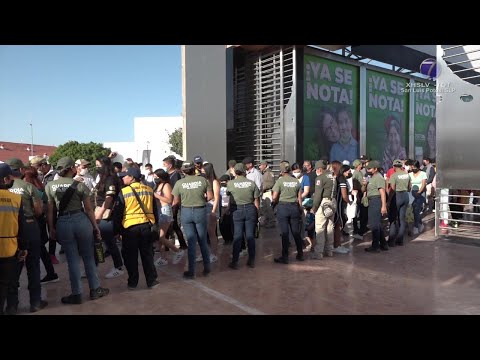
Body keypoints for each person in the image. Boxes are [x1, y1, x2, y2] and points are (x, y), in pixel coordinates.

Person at [45, 157, 109, 304]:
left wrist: (51, 229)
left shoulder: (50, 186)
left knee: (72, 260)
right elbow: (88, 209)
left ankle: (77, 294)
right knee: (88, 257)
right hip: (81, 221)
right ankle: (95, 289)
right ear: (70, 169)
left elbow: (50, 211)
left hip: (63, 222)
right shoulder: (79, 184)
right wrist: (95, 227)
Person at [4, 159, 47, 314]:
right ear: (21, 170)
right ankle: (35, 302)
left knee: (13, 269)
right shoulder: (28, 187)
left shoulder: (5, 188)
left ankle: (12, 305)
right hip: (30, 227)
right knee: (33, 266)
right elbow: (38, 211)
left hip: (11, 230)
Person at [113, 166, 159, 289]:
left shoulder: (124, 192)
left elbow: (118, 213)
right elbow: (155, 211)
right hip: (147, 227)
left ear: (132, 178)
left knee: (130, 256)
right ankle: (151, 280)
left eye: (125, 176)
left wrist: (116, 231)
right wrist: (155, 226)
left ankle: (133, 282)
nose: (123, 178)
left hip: (130, 229)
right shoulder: (149, 190)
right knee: (147, 254)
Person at [172, 161, 213, 279]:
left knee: (191, 242)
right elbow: (210, 197)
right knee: (202, 240)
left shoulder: (179, 183)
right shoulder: (202, 180)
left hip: (186, 212)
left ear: (183, 171)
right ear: (193, 169)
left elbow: (176, 201)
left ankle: (191, 271)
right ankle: (207, 268)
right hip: (200, 210)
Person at [0, 164, 28, 315]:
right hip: (10, 248)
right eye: (10, 177)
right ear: (5, 179)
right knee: (10, 282)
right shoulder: (16, 199)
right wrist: (23, 247)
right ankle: (11, 308)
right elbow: (21, 227)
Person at [94, 156, 124, 279]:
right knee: (97, 241)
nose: (96, 168)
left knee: (109, 242)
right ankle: (94, 266)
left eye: (98, 165)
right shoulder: (103, 178)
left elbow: (109, 199)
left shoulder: (110, 179)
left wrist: (99, 216)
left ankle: (118, 267)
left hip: (106, 215)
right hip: (100, 212)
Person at [226, 163, 260, 269]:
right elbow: (256, 200)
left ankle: (235, 261)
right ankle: (251, 260)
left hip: (237, 210)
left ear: (235, 172)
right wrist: (257, 213)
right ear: (245, 171)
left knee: (237, 236)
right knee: (250, 235)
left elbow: (228, 195)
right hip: (250, 209)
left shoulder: (231, 183)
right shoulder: (251, 183)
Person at [271, 161, 305, 264]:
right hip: (294, 207)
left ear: (281, 171)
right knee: (296, 232)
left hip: (283, 207)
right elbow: (299, 198)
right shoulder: (296, 181)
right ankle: (300, 254)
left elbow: (274, 197)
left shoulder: (280, 181)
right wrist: (299, 209)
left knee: (285, 233)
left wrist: (274, 203)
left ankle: (285, 257)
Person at [152, 169, 185, 266]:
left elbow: (169, 200)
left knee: (161, 237)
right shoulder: (158, 186)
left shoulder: (166, 186)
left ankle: (177, 251)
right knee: (160, 237)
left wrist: (156, 196)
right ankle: (163, 258)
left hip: (165, 210)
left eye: (157, 177)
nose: (155, 178)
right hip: (159, 211)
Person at [311, 160, 335, 259]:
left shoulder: (320, 178)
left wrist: (314, 208)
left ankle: (319, 252)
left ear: (320, 169)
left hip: (323, 203)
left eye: (316, 169)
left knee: (320, 228)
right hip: (333, 202)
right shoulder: (333, 177)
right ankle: (329, 250)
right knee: (330, 227)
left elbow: (317, 195)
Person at [362, 160, 389, 252]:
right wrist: (365, 185)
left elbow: (382, 192)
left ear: (375, 169)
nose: (368, 170)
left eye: (369, 168)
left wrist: (384, 206)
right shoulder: (371, 177)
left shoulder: (379, 177)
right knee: (377, 223)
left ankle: (375, 246)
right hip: (372, 200)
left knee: (374, 224)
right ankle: (383, 244)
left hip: (376, 201)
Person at [388, 159, 411, 246]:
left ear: (393, 167)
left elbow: (392, 189)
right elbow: (409, 188)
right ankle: (400, 240)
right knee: (402, 219)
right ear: (401, 166)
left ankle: (391, 241)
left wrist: (389, 201)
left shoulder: (394, 175)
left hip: (397, 196)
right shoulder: (407, 175)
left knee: (393, 219)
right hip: (405, 196)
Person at [409, 160, 427, 235]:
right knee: (413, 211)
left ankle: (416, 227)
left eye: (414, 167)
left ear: (418, 167)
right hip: (412, 194)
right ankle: (420, 224)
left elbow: (423, 185)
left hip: (420, 193)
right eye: (412, 167)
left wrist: (419, 193)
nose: (413, 168)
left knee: (417, 210)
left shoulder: (423, 174)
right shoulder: (409, 174)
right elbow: (409, 185)